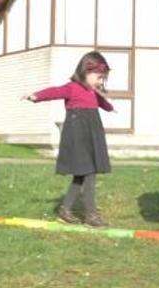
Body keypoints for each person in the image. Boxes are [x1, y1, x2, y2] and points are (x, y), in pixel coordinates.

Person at [25, 51, 113, 228]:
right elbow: (55, 92)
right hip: (78, 136)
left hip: (92, 134)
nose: (100, 81)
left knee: (82, 175)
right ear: (84, 72)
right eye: (98, 76)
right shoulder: (72, 88)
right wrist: (36, 96)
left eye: (102, 78)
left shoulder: (93, 91)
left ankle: (65, 210)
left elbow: (102, 103)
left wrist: (109, 107)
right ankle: (90, 215)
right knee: (89, 173)